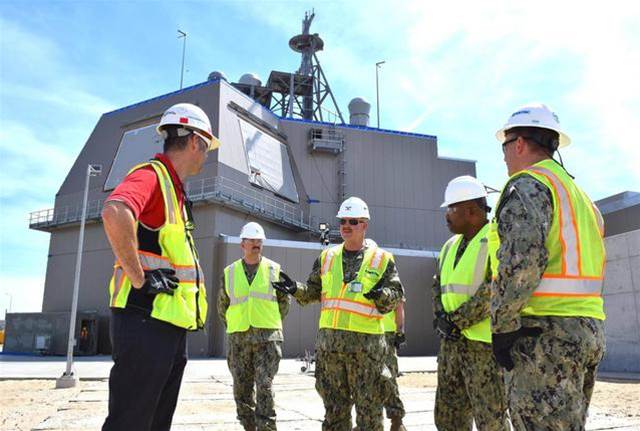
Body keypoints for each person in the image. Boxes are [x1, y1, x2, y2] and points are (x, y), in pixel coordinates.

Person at [101, 103, 220, 431]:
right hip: (145, 321)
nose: (207, 154)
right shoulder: (152, 177)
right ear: (194, 141)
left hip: (165, 325)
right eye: (207, 146)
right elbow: (115, 211)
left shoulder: (174, 190)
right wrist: (139, 278)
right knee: (132, 422)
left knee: (154, 423)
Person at [490, 103, 606, 430]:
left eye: (504, 146)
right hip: (586, 330)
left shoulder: (528, 184)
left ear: (520, 144)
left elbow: (522, 262)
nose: (503, 157)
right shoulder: (580, 196)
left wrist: (502, 325)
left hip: (545, 336)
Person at [271, 197, 405, 431]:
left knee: (369, 415)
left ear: (365, 225)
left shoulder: (382, 259)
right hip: (330, 349)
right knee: (334, 413)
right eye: (343, 220)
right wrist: (295, 289)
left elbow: (395, 295)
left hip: (367, 352)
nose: (346, 225)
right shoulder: (327, 257)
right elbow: (314, 292)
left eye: (353, 221)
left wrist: (380, 295)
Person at [432, 176, 509, 431]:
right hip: (451, 348)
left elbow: (496, 287)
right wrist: (441, 319)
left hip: (483, 349)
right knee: (448, 418)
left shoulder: (497, 238)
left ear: (471, 210)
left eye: (451, 209)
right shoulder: (448, 246)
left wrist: (455, 321)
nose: (447, 216)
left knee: (492, 420)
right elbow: (438, 287)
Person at [217, 222, 290, 431]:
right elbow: (222, 306)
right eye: (252, 240)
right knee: (241, 389)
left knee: (264, 386)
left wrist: (269, 323)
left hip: (267, 339)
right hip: (238, 339)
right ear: (242, 244)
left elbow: (284, 303)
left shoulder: (274, 270)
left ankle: (266, 428)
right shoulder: (229, 272)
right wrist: (235, 325)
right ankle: (249, 426)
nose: (256, 244)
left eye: (259, 240)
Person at [382, 303, 407, 431]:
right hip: (366, 333)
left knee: (389, 379)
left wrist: (400, 331)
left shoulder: (391, 282)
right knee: (366, 377)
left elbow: (399, 306)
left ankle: (396, 421)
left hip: (386, 335)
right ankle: (366, 420)